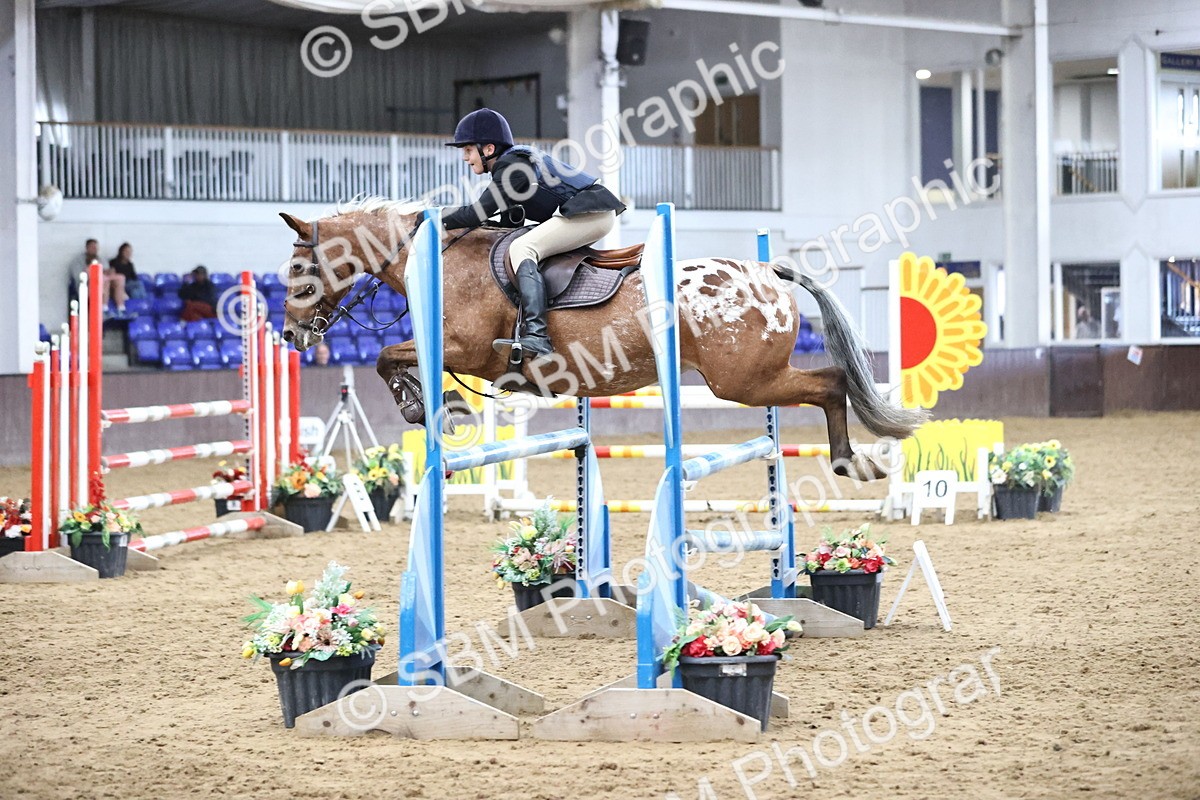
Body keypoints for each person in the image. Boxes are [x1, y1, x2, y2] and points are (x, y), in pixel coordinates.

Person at [441, 108, 625, 360]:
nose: (465, 157)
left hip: (590, 213)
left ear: (488, 149)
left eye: (468, 150)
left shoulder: (511, 167)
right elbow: (506, 224)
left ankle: (538, 336)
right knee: (520, 243)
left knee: (523, 248)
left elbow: (475, 214)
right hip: (587, 212)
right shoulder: (510, 166)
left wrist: (434, 218)